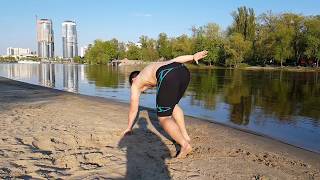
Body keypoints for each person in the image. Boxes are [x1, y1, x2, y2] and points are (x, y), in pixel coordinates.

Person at [122, 50, 208, 158]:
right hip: (183, 71)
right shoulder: (151, 69)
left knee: (164, 118)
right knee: (173, 105)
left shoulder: (136, 83)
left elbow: (133, 109)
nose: (143, 91)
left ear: (133, 79)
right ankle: (185, 136)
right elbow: (175, 60)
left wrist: (129, 128)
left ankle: (185, 145)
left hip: (167, 73)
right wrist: (192, 56)